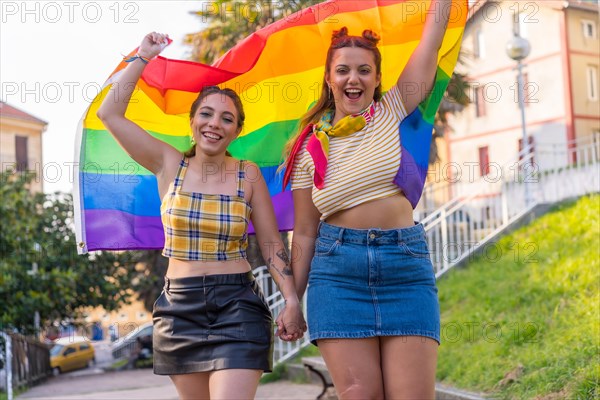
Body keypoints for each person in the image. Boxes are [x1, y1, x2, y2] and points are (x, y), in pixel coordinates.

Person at [97, 32, 306, 400]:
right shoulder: (167, 163)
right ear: (192, 121)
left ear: (236, 130)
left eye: (227, 118)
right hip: (179, 311)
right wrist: (142, 57)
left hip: (238, 307)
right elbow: (109, 113)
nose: (214, 123)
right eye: (206, 113)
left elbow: (272, 244)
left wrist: (291, 300)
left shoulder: (248, 173)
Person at [282, 1, 452, 398]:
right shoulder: (308, 148)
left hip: (404, 269)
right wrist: (292, 298)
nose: (352, 78)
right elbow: (305, 233)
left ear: (377, 79)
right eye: (342, 70)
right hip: (337, 277)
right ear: (329, 79)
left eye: (363, 70)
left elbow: (429, 46)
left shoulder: (391, 110)